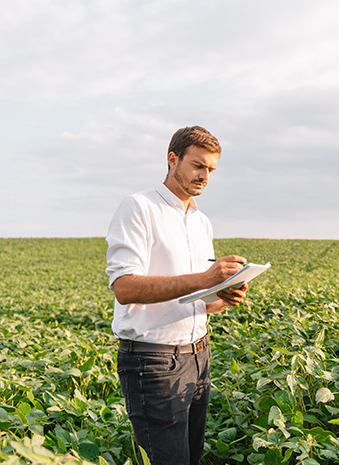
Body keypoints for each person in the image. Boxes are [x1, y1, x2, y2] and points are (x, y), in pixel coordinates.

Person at [105, 126, 248, 465]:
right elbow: (124, 287)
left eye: (211, 169)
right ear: (173, 160)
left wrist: (221, 298)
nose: (205, 175)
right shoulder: (139, 208)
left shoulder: (201, 221)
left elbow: (196, 297)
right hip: (153, 362)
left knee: (190, 458)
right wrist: (205, 277)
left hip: (199, 355)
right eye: (198, 165)